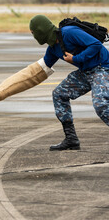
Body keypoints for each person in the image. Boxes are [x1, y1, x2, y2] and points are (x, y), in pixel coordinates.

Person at [29, 15, 109, 151]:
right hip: (86, 72)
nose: (33, 35)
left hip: (103, 67)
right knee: (59, 94)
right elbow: (43, 66)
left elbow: (95, 44)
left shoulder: (69, 32)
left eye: (33, 32)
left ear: (41, 30)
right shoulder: (53, 48)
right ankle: (71, 139)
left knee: (100, 104)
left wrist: (77, 58)